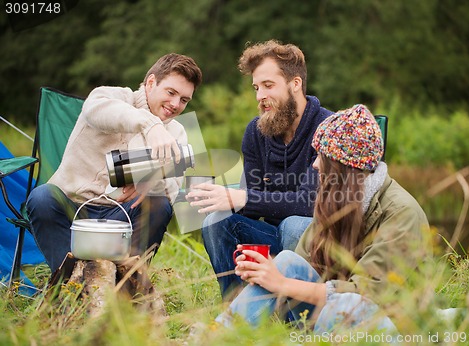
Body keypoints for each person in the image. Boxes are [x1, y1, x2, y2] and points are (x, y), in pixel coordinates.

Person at [215, 104, 431, 334]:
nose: (315, 164)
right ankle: (219, 334)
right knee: (286, 260)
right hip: (335, 314)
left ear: (345, 165)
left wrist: (282, 284)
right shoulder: (337, 199)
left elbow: (369, 294)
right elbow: (300, 265)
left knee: (340, 306)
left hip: (392, 325)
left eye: (321, 156)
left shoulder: (401, 212)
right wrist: (268, 273)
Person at [26, 53, 202, 273]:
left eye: (184, 100)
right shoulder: (109, 96)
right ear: (150, 82)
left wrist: (152, 182)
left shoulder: (177, 132)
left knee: (159, 204)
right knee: (42, 197)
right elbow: (97, 111)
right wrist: (151, 125)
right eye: (171, 92)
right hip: (74, 208)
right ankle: (70, 283)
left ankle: (125, 289)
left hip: (122, 216)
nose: (176, 105)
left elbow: (172, 190)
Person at [186, 40, 332, 298]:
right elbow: (254, 202)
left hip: (320, 243)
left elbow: (310, 203)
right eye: (256, 87)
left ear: (294, 84)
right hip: (275, 234)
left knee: (294, 225)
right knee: (215, 221)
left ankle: (296, 306)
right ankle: (236, 304)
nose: (260, 96)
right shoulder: (256, 131)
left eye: (268, 85)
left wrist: (242, 197)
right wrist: (222, 198)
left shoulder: (327, 127)